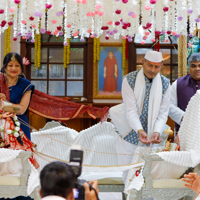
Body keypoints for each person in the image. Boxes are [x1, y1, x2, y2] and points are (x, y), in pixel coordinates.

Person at [109, 50, 171, 182]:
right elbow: (131, 111)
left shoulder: (165, 83)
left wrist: (156, 131)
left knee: (150, 175)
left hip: (152, 136)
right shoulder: (129, 80)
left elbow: (163, 113)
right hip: (130, 132)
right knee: (129, 174)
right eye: (150, 65)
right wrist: (140, 130)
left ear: (161, 66)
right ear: (142, 62)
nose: (152, 70)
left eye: (156, 66)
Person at [0, 52, 34, 140]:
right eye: (10, 65)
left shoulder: (25, 84)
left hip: (19, 124)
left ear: (21, 68)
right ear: (5, 67)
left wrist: (4, 103)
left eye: (17, 65)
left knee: (22, 153)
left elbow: (21, 109)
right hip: (1, 123)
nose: (14, 68)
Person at [169, 53, 200, 133]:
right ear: (188, 66)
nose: (197, 69)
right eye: (193, 66)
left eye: (199, 65)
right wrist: (185, 117)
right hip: (184, 130)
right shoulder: (178, 84)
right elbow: (170, 105)